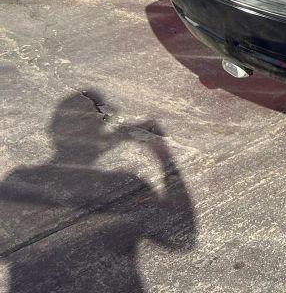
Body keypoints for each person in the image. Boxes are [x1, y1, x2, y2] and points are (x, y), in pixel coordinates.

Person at [0, 92, 196, 292]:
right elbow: (181, 239)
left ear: (53, 133)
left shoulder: (19, 179)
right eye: (93, 119)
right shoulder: (123, 183)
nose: (102, 125)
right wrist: (163, 154)